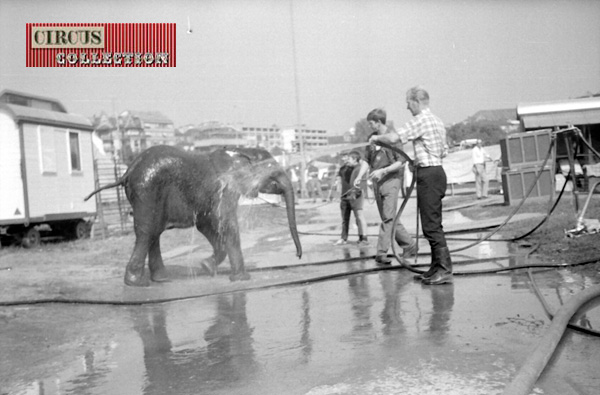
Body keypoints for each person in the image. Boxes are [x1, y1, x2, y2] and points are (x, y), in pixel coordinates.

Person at [369, 86, 452, 285]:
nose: (407, 107)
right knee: (431, 224)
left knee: (431, 226)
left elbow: (395, 137)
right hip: (435, 172)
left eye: (408, 102)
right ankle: (435, 267)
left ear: (416, 101)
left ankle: (444, 269)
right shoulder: (438, 121)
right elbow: (444, 151)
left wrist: (376, 138)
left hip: (429, 175)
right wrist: (419, 160)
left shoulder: (421, 120)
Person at [360, 108, 417, 266]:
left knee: (388, 217)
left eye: (371, 123)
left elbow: (401, 161)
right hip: (377, 183)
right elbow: (366, 159)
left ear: (378, 122)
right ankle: (409, 245)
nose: (370, 126)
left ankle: (381, 252)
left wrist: (383, 171)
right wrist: (360, 176)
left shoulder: (393, 138)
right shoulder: (371, 139)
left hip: (392, 181)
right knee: (390, 217)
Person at [333, 151, 369, 246]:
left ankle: (363, 237)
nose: (345, 159)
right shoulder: (343, 169)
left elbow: (362, 183)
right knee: (345, 218)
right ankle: (344, 238)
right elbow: (339, 182)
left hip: (355, 195)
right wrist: (337, 194)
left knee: (359, 216)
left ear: (354, 159)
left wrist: (357, 193)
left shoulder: (359, 169)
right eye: (344, 157)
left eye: (347, 157)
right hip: (345, 196)